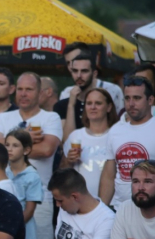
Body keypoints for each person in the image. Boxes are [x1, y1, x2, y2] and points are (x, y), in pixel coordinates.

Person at [0, 72, 62, 239]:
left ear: (40, 92)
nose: (23, 94)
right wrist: (25, 137)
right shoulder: (4, 117)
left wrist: (7, 142)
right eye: (20, 89)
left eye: (29, 89)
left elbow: (46, 150)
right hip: (1, 196)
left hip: (39, 198)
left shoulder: (51, 118)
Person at [99, 76, 155, 211]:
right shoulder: (116, 130)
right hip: (120, 209)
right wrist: (101, 210)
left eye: (137, 98)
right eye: (127, 98)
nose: (131, 104)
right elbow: (109, 174)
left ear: (150, 100)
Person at [62, 88, 118, 197]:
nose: (92, 107)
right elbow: (62, 172)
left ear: (109, 107)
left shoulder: (117, 136)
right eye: (89, 103)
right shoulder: (76, 136)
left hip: (112, 203)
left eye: (98, 103)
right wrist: (69, 161)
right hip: (80, 202)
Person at [59, 43, 124, 115]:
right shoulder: (66, 93)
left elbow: (121, 122)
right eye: (68, 63)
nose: (72, 66)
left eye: (78, 59)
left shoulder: (113, 90)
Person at [5, 129, 42, 239]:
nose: (9, 149)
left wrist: (12, 228)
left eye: (15, 146)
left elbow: (29, 211)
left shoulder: (32, 175)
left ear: (26, 150)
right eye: (7, 145)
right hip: (2, 225)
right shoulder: (2, 171)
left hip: (23, 227)